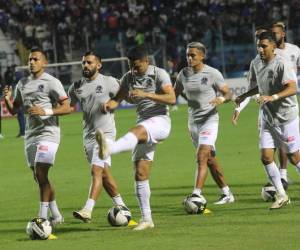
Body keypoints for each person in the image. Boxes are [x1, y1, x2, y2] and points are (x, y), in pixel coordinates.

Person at [97, 45, 176, 230]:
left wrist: (146, 94)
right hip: (145, 123)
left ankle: (110, 148)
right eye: (131, 65)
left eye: (138, 66)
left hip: (160, 122)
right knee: (140, 172)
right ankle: (147, 219)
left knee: (138, 130)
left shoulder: (159, 74)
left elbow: (171, 98)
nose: (134, 69)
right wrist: (109, 105)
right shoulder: (129, 77)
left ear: (147, 61)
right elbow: (118, 98)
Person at [3, 48, 70, 226]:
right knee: (39, 177)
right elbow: (14, 110)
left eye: (36, 59)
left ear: (44, 63)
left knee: (41, 172)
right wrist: (8, 100)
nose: (31, 62)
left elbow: (67, 107)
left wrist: (46, 111)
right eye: (30, 59)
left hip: (49, 134)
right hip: (31, 136)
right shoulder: (22, 83)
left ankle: (42, 218)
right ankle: (56, 215)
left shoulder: (52, 82)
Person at [68, 51, 135, 224]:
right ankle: (122, 207)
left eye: (89, 63)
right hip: (88, 137)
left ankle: (87, 209)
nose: (85, 66)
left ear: (98, 65)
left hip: (105, 134)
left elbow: (125, 95)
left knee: (96, 171)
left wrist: (114, 103)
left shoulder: (109, 82)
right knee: (103, 174)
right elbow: (68, 106)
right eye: (83, 63)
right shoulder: (76, 86)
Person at [235, 31, 300, 209]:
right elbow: (256, 87)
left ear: (273, 46)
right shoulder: (255, 62)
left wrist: (273, 96)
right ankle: (281, 194)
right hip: (267, 117)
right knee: (266, 157)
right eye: (258, 46)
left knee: (295, 158)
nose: (260, 49)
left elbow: (293, 88)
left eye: (264, 46)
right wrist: (242, 98)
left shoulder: (282, 63)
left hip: (287, 116)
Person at [174, 42, 235, 205]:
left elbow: (229, 93)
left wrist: (221, 99)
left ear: (202, 56)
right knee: (209, 160)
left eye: (193, 55)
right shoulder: (183, 74)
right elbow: (172, 96)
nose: (189, 58)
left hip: (210, 120)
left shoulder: (212, 73)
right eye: (187, 55)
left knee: (201, 155)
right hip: (193, 123)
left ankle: (196, 194)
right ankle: (227, 193)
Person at [4, 65, 25, 138]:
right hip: (18, 99)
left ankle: (23, 132)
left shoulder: (18, 76)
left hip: (20, 99)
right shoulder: (17, 79)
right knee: (20, 115)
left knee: (21, 115)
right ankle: (22, 132)